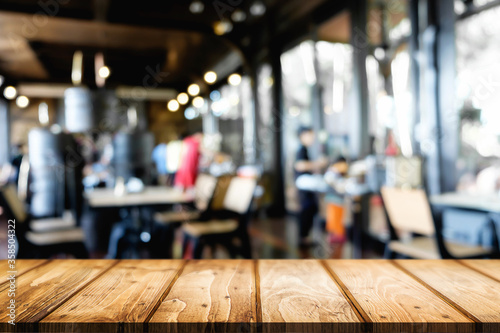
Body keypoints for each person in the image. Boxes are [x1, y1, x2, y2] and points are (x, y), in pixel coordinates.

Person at [294, 126, 328, 247]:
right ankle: (303, 239)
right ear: (303, 135)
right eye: (310, 135)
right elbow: (299, 165)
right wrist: (318, 163)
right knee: (307, 210)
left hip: (306, 187)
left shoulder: (304, 149)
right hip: (304, 187)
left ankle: (305, 238)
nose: (312, 138)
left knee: (311, 209)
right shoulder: (301, 149)